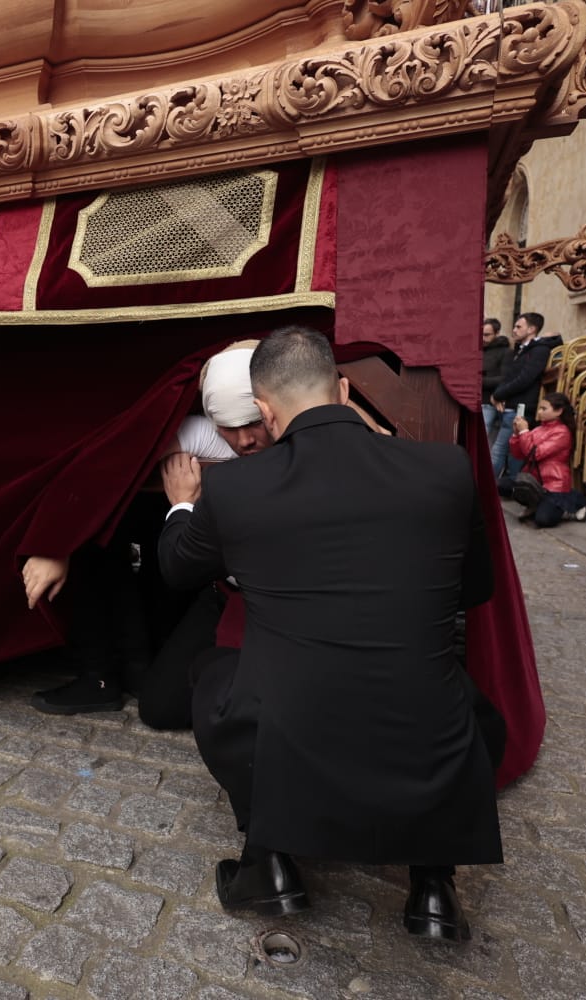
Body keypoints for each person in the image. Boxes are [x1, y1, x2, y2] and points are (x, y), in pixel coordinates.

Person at [158, 326, 501, 940]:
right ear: (342, 390)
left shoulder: (236, 486)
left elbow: (177, 567)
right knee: (451, 702)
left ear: (263, 410)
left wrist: (182, 503)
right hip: (428, 724)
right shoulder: (444, 467)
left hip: (295, 724)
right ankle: (432, 889)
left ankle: (271, 866)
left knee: (213, 675)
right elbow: (474, 589)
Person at [20, 343, 272, 714]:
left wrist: (186, 502)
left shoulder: (301, 430)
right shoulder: (206, 434)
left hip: (278, 592)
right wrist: (58, 544)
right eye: (231, 429)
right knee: (159, 705)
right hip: (222, 588)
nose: (245, 440)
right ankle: (118, 670)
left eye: (253, 423)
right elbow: (111, 466)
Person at [488, 313, 561, 476]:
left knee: (500, 450)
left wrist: (498, 394)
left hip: (520, 407)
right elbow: (509, 377)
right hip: (510, 406)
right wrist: (497, 395)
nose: (514, 330)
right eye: (514, 326)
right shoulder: (521, 349)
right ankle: (511, 485)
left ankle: (487, 488)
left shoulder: (539, 350)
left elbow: (525, 379)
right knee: (510, 451)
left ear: (532, 329)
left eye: (518, 326)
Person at [507, 391, 586, 527]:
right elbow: (519, 455)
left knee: (543, 520)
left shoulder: (562, 432)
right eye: (540, 408)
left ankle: (573, 502)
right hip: (536, 481)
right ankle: (536, 504)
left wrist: (524, 432)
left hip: (554, 484)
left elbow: (534, 454)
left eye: (544, 409)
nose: (539, 412)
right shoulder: (538, 430)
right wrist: (516, 435)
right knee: (501, 485)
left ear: (558, 411)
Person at [480, 318, 511, 441]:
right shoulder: (477, 350)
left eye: (487, 335)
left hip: (488, 402)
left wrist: (479, 381)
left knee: (482, 440)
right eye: (480, 334)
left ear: (497, 333)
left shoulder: (505, 352)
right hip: (471, 400)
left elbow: (505, 378)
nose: (482, 338)